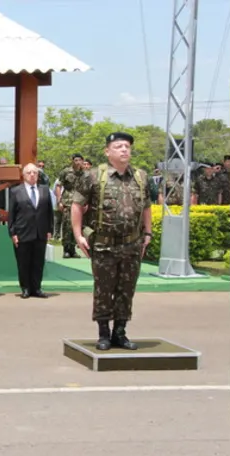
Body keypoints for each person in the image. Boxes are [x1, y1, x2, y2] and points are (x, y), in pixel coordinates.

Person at [71, 132, 152, 351]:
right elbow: (77, 205)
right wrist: (78, 236)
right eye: (118, 146)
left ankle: (120, 332)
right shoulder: (93, 176)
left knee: (126, 290)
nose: (124, 150)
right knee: (104, 289)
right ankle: (104, 333)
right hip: (103, 244)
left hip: (132, 244)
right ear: (108, 152)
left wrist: (148, 234)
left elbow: (146, 206)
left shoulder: (141, 177)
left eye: (127, 146)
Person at [9, 163, 54, 299]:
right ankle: (26, 288)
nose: (33, 175)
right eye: (29, 172)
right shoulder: (16, 191)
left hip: (40, 232)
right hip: (22, 232)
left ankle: (37, 288)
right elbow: (11, 215)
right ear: (24, 175)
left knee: (38, 262)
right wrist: (13, 233)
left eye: (35, 172)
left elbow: (49, 212)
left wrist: (50, 229)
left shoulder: (45, 190)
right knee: (23, 262)